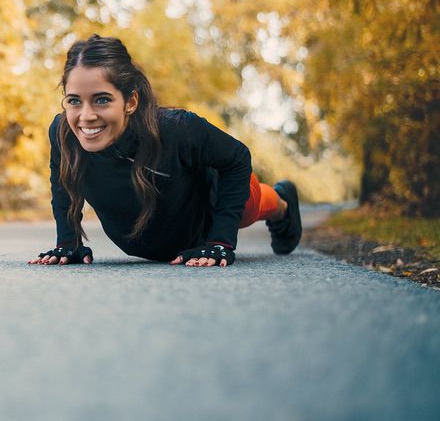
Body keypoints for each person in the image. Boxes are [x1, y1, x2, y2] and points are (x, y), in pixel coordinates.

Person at [28, 35, 302, 268]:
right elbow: (62, 182)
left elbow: (237, 158)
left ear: (131, 101)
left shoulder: (177, 128)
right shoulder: (63, 132)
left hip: (205, 209)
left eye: (102, 100)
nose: (85, 116)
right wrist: (67, 243)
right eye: (74, 101)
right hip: (155, 238)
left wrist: (220, 242)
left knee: (246, 204)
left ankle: (281, 203)